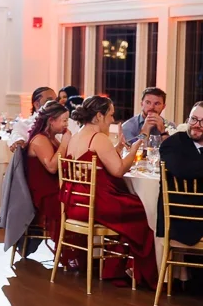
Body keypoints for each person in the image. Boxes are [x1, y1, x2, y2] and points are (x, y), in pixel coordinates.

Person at [60, 96, 158, 287]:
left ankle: (117, 266)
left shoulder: (78, 135)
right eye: (111, 115)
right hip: (95, 203)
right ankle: (133, 270)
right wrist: (134, 150)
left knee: (132, 207)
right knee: (143, 211)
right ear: (99, 116)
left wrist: (119, 147)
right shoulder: (98, 138)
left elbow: (100, 162)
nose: (112, 120)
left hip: (75, 202)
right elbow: (118, 170)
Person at [24, 101, 71, 264]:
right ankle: (70, 253)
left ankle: (76, 252)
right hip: (43, 193)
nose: (66, 124)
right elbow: (52, 167)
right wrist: (65, 143)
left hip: (53, 188)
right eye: (64, 120)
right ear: (51, 120)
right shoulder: (40, 139)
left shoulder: (51, 138)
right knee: (73, 205)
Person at [157, 102, 203, 246]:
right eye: (193, 119)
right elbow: (182, 170)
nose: (196, 125)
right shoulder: (173, 143)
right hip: (183, 220)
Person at [9, 86, 57, 151]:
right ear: (37, 104)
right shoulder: (24, 124)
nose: (55, 104)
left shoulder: (66, 122)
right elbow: (16, 135)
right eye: (49, 100)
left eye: (56, 100)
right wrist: (19, 141)